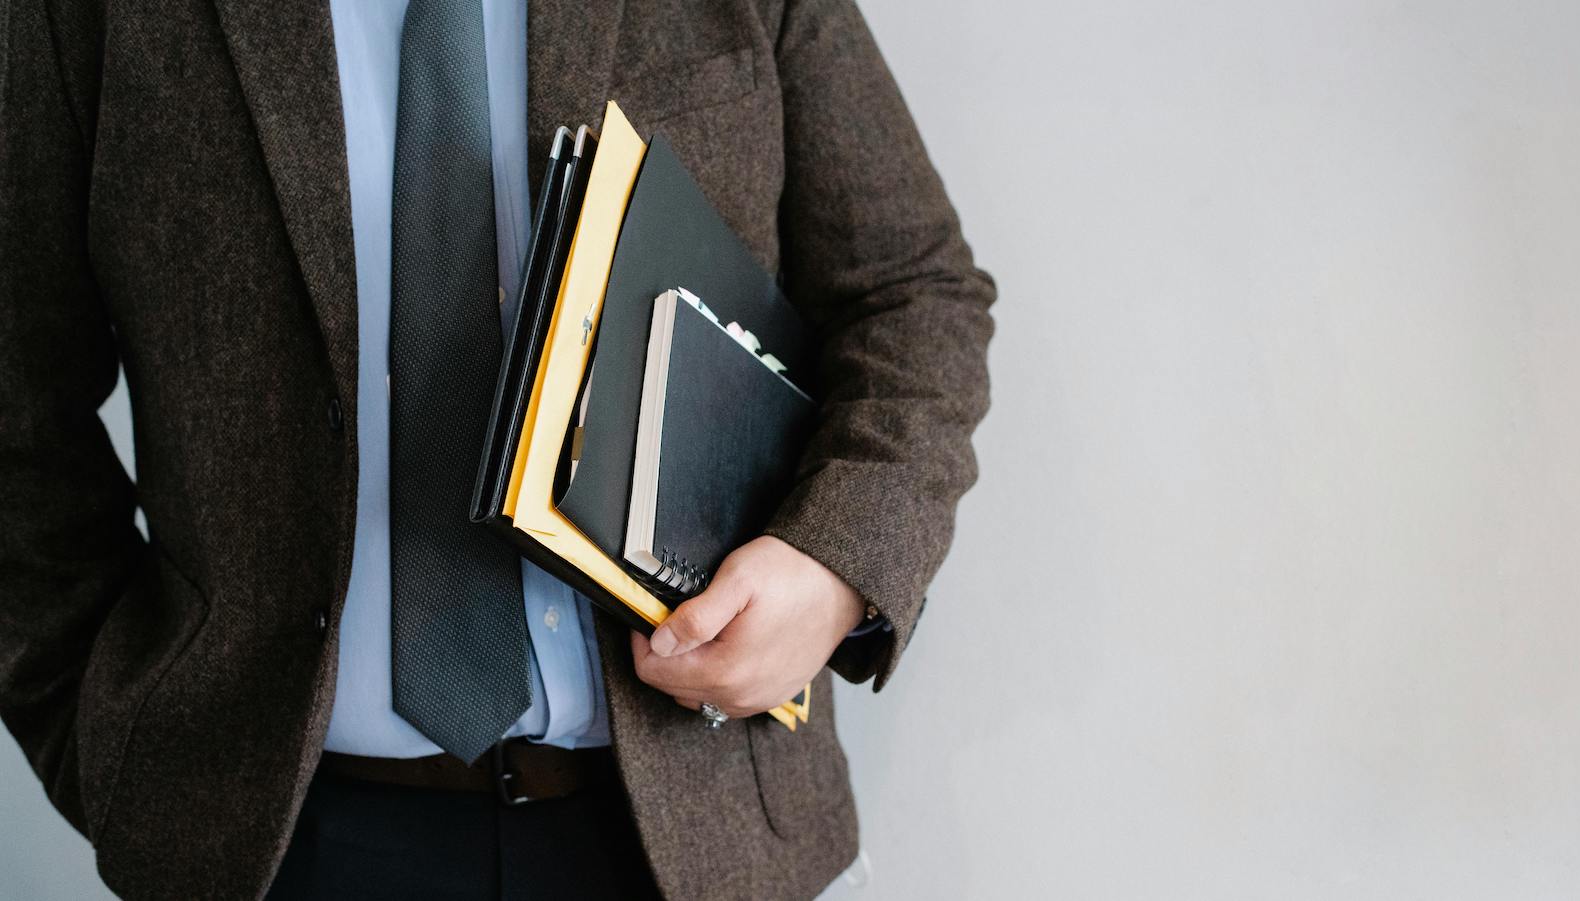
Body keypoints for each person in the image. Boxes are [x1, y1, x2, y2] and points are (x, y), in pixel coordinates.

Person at [0, 0, 994, 897]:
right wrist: (107, 749)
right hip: (276, 840)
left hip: (697, 823)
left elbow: (909, 290)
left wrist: (834, 564)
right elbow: (18, 402)